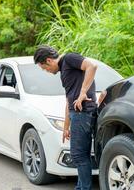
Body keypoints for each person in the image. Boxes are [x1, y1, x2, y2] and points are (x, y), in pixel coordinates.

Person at [34, 45, 97, 190]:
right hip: (77, 114)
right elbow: (69, 100)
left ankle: (83, 188)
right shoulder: (64, 70)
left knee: (78, 155)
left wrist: (83, 93)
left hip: (83, 113)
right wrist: (66, 126)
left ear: (49, 60)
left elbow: (92, 66)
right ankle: (80, 187)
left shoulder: (69, 59)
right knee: (81, 155)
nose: (47, 71)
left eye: (44, 68)